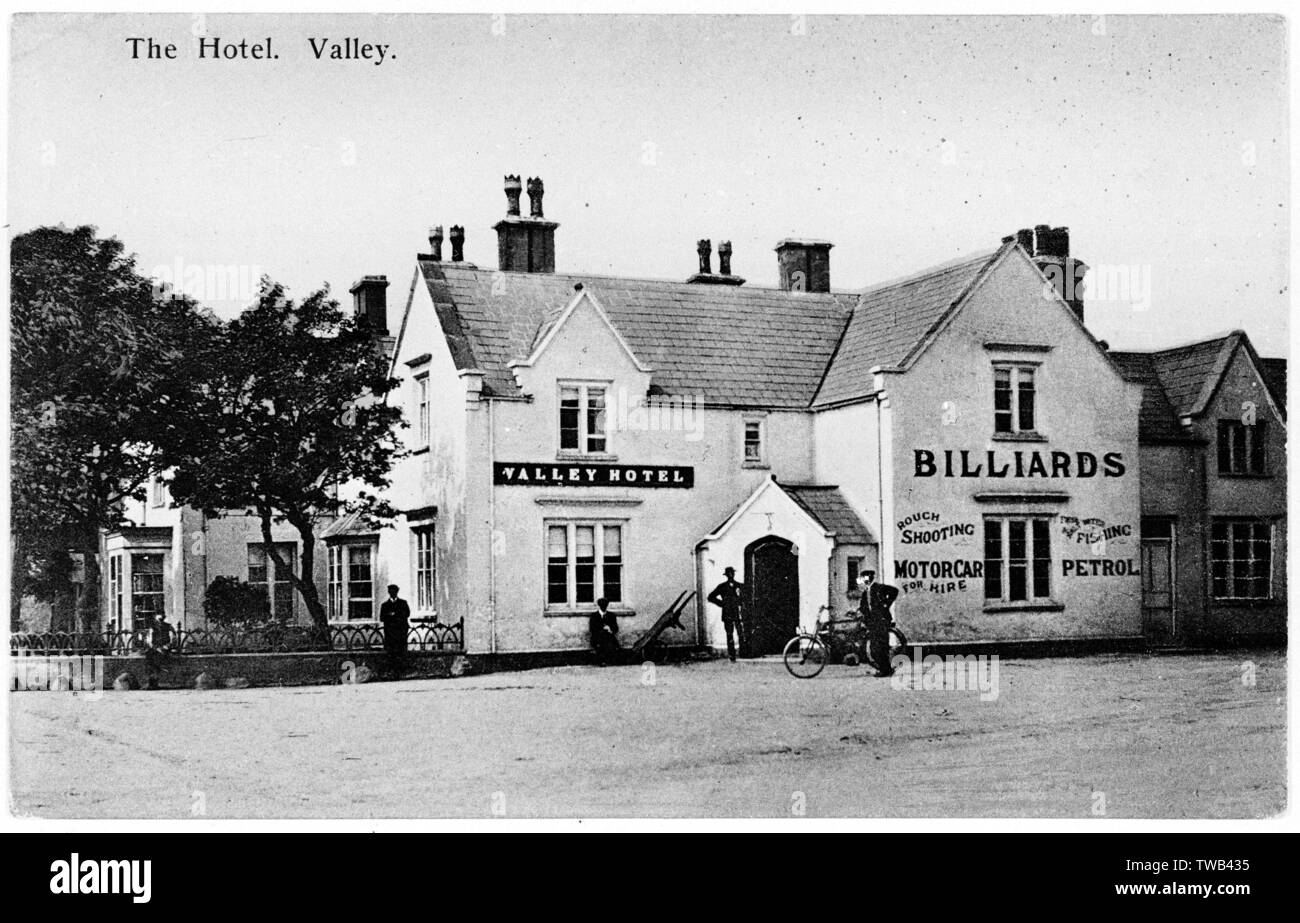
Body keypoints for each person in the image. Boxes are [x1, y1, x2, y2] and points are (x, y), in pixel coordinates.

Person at [857, 570, 900, 677]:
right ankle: (886, 669)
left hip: (881, 620)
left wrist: (886, 604)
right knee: (874, 648)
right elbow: (863, 607)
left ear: (871, 578)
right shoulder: (865, 592)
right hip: (872, 622)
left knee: (880, 646)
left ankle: (885, 670)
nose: (863, 580)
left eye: (865, 578)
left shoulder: (879, 587)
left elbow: (894, 591)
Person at [707, 566, 746, 662]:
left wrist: (741, 604)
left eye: (732, 573)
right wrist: (722, 604)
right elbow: (710, 597)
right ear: (726, 575)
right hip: (727, 613)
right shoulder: (722, 587)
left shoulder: (740, 586)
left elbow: (745, 598)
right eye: (729, 573)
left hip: (737, 612)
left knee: (741, 633)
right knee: (729, 634)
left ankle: (743, 653)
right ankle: (732, 656)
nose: (731, 575)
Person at [379, 584, 411, 674]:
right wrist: (390, 615)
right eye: (391, 592)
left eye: (394, 591)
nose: (392, 593)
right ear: (389, 593)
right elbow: (382, 617)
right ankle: (392, 671)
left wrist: (396, 615)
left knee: (401, 651)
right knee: (391, 652)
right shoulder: (385, 605)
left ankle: (401, 671)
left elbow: (407, 613)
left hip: (401, 632)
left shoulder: (403, 603)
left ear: (397, 592)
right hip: (390, 633)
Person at [588, 597, 620, 665]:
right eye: (602, 606)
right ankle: (602, 660)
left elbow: (616, 628)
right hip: (597, 638)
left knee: (609, 642)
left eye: (605, 606)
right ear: (599, 606)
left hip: (609, 637)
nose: (604, 607)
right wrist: (602, 629)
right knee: (602, 641)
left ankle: (606, 660)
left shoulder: (611, 615)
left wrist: (610, 629)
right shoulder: (594, 616)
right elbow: (592, 629)